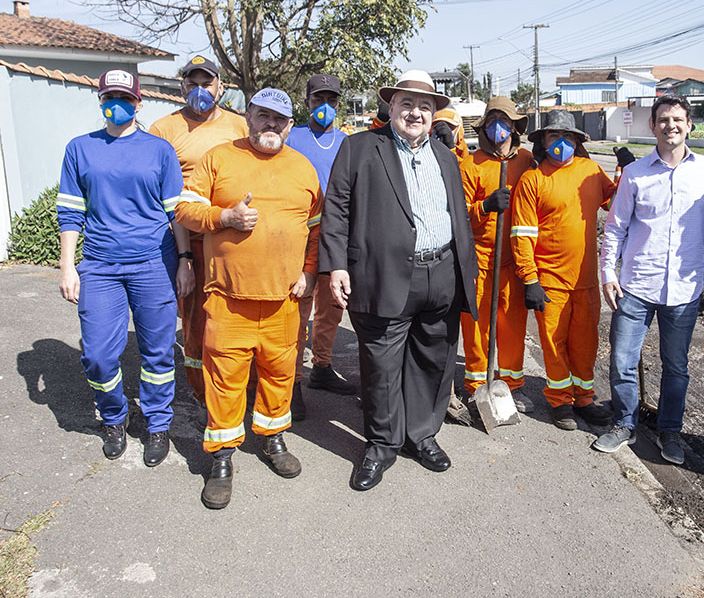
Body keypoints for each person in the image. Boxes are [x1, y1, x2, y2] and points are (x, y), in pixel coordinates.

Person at [319, 70, 478, 491]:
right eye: (407, 104)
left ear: (434, 113)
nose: (415, 112)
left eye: (424, 106)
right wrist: (336, 265)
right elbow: (336, 210)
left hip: (441, 272)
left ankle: (421, 434)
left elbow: (456, 215)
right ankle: (382, 444)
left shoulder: (445, 154)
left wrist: (464, 268)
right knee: (382, 367)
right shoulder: (359, 148)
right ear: (391, 107)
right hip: (383, 275)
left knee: (434, 359)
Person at [175, 88, 323, 509]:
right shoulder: (219, 158)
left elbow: (315, 229)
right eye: (263, 116)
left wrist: (310, 272)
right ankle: (221, 459)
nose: (270, 125)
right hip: (228, 299)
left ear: (290, 126)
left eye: (279, 119)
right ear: (248, 117)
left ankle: (273, 439)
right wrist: (224, 217)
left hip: (284, 301)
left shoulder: (303, 168)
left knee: (279, 376)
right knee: (225, 381)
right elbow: (184, 210)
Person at [57, 69, 192, 467]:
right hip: (100, 266)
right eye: (109, 97)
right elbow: (69, 213)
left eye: (125, 98)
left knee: (157, 353)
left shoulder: (159, 150)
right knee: (98, 354)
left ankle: (157, 423)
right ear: (100, 101)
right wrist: (68, 266)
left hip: (154, 263)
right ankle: (114, 416)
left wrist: (185, 261)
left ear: (138, 103)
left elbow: (176, 212)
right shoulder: (80, 149)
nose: (117, 104)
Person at [592, 95, 704, 461]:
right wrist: (608, 272)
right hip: (635, 285)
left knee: (677, 367)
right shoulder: (637, 173)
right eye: (664, 119)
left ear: (690, 125)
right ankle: (624, 423)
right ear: (652, 126)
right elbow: (615, 227)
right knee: (622, 360)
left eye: (678, 119)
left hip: (684, 289)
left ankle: (670, 431)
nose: (671, 125)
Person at [149, 56, 249, 405]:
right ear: (182, 87)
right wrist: (184, 258)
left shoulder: (240, 126)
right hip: (187, 238)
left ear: (220, 86)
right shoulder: (163, 130)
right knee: (194, 318)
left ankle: (233, 383)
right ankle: (200, 389)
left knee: (233, 314)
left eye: (207, 83)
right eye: (192, 83)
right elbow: (164, 198)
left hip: (232, 236)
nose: (200, 90)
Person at [510, 110, 616, 431]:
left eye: (567, 137)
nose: (561, 143)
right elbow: (521, 235)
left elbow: (617, 202)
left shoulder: (591, 172)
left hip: (585, 281)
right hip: (550, 283)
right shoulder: (533, 180)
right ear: (543, 141)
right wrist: (530, 279)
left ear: (577, 141)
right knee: (555, 345)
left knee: (585, 343)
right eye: (554, 137)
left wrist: (630, 172)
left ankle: (584, 398)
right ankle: (560, 402)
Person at [286, 73, 356, 421]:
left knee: (331, 308)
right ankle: (292, 382)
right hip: (299, 236)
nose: (325, 107)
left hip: (336, 237)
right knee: (298, 310)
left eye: (331, 100)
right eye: (318, 100)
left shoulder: (348, 142)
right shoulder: (291, 137)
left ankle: (322, 367)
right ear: (307, 102)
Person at [459, 97, 535, 414]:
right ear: (484, 129)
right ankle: (477, 386)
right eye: (492, 123)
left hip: (513, 262)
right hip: (478, 261)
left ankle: (511, 385)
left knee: (512, 327)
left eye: (505, 122)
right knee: (476, 327)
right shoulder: (471, 165)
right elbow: (458, 216)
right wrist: (485, 207)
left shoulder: (528, 161)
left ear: (516, 127)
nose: (498, 129)